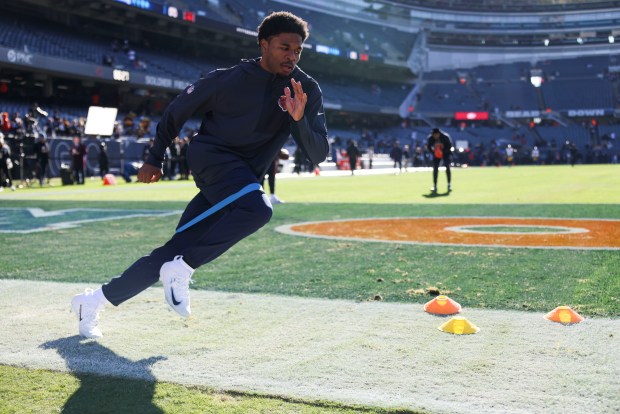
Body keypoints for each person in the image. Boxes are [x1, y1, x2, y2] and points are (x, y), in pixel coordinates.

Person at [71, 11, 329, 338]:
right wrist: (154, 157)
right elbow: (177, 110)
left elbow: (318, 152)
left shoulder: (305, 88)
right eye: (284, 47)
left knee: (172, 252)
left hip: (240, 180)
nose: (291, 56)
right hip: (212, 160)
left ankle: (92, 302)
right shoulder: (227, 78)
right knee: (259, 209)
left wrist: (299, 119)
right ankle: (183, 270)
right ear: (264, 44)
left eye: (298, 50)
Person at [426, 127, 453, 192]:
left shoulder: (445, 137)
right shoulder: (431, 138)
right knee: (435, 169)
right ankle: (435, 186)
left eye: (435, 135)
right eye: (433, 135)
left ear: (438, 134)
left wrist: (442, 152)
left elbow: (450, 146)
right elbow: (429, 147)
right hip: (436, 154)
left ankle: (449, 184)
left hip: (445, 153)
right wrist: (434, 152)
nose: (434, 136)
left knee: (447, 167)